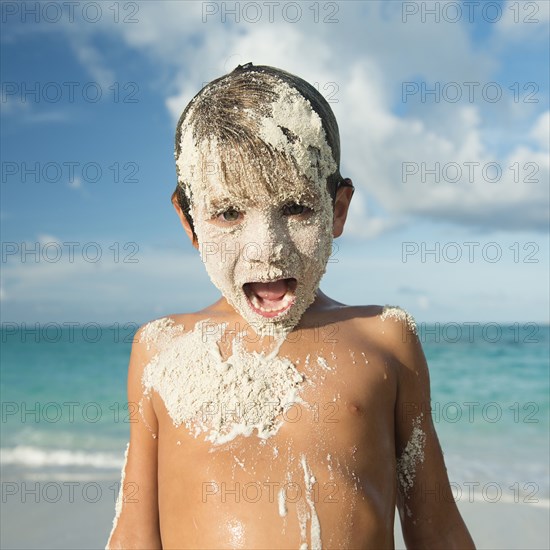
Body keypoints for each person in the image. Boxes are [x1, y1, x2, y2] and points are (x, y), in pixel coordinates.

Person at [106, 63, 475, 549]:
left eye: (296, 208)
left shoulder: (384, 338)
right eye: (229, 212)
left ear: (337, 210)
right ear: (190, 219)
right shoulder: (161, 351)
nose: (267, 248)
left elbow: (438, 528)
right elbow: (133, 536)